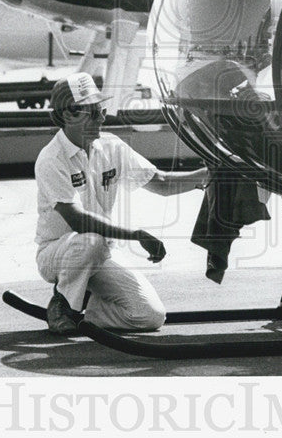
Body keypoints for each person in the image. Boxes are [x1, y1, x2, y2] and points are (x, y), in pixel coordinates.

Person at [35, 72, 208, 334]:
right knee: (91, 239)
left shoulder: (111, 147)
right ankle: (63, 304)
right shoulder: (51, 159)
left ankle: (88, 308)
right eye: (92, 112)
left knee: (150, 317)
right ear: (68, 115)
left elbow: (160, 182)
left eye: (101, 110)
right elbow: (78, 220)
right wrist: (135, 235)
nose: (102, 118)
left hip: (99, 250)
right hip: (57, 255)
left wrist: (206, 175)